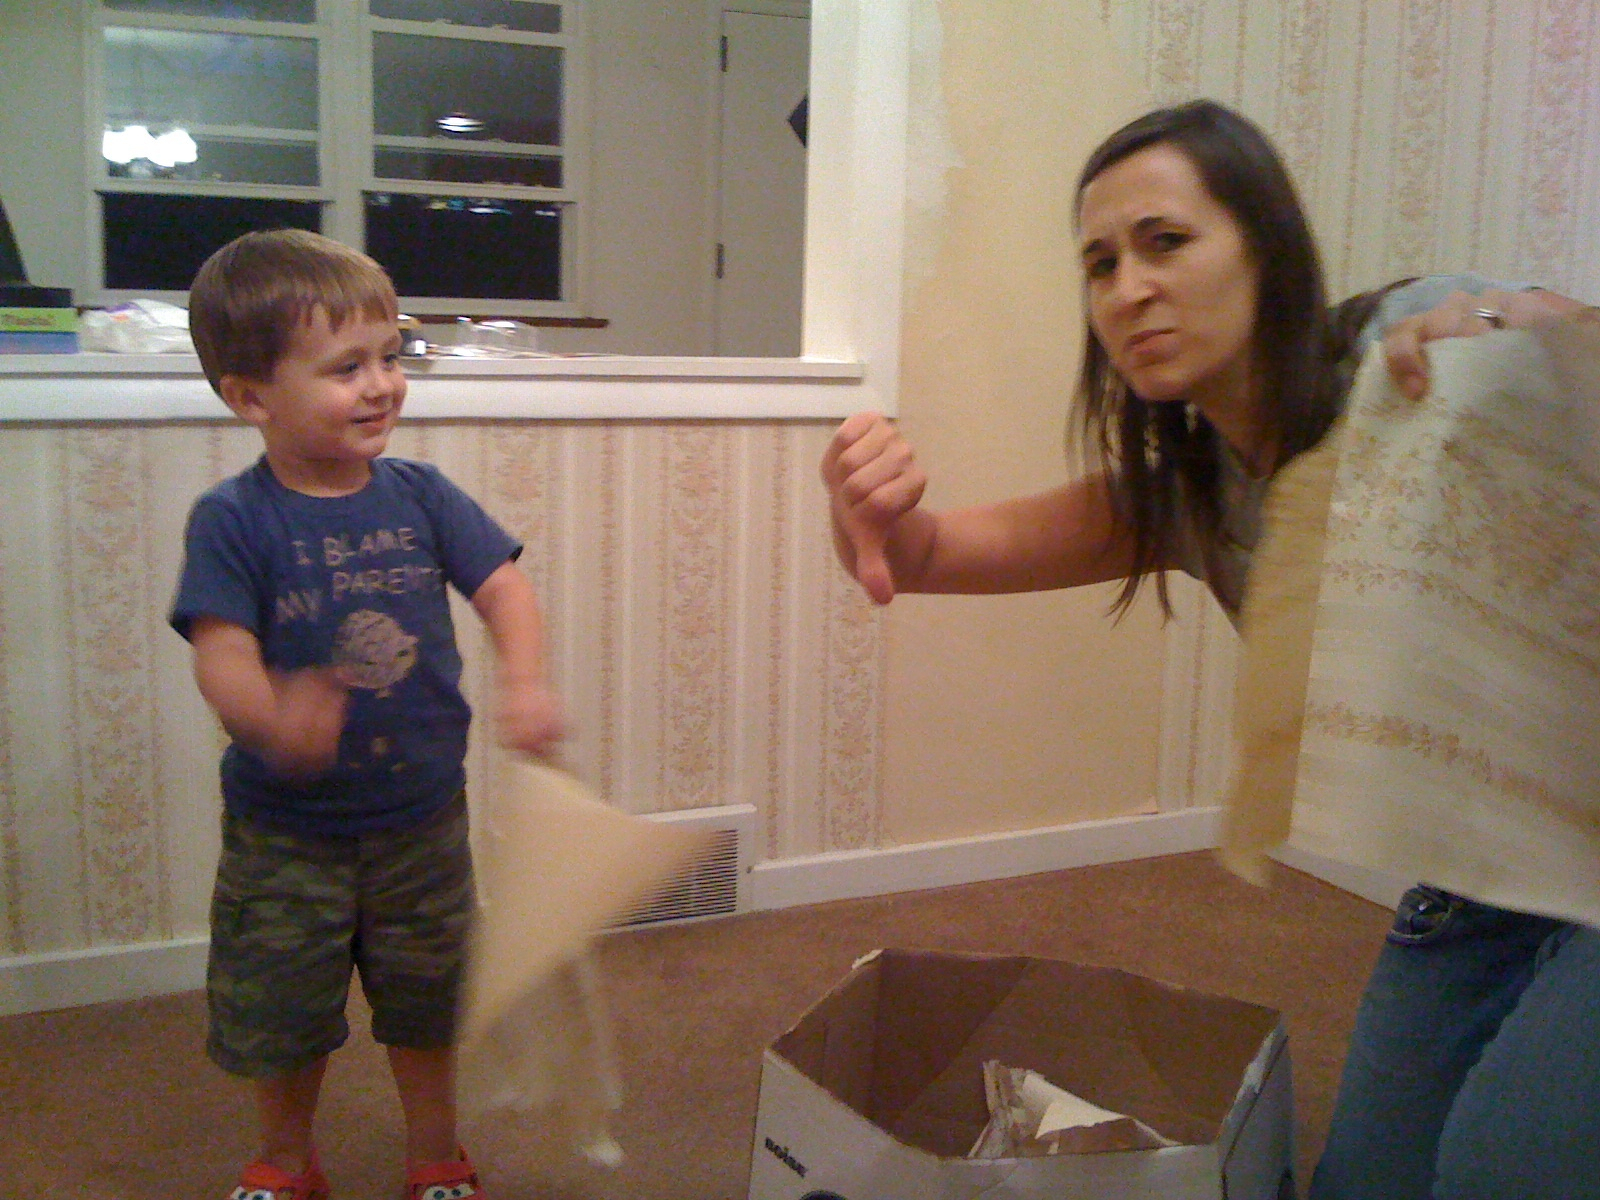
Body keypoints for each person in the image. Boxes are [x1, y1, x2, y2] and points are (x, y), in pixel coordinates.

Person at [820, 99, 1598, 1200]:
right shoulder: (1191, 497)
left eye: (1166, 242)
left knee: (1498, 1169)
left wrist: (1532, 323)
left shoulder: (1403, 355)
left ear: (1264, 249)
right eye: (1100, 264)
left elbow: (1558, 350)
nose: (1128, 288)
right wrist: (860, 508)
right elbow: (926, 554)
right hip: (1481, 876)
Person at [171, 229, 565, 1200]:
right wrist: (271, 717)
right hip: (285, 833)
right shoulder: (233, 519)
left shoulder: (421, 495)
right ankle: (285, 1160)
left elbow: (505, 588)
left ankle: (435, 1153)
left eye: (391, 357)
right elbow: (220, 651)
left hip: (421, 821)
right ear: (251, 397)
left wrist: (524, 680)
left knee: (428, 1002)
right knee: (283, 1012)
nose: (383, 384)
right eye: (347, 367)